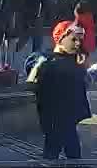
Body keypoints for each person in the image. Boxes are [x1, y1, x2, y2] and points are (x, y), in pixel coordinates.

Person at [31, 28, 91, 160]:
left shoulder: (74, 60)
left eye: (80, 40)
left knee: (64, 146)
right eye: (73, 39)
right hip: (56, 113)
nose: (77, 43)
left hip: (68, 113)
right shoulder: (47, 60)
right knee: (61, 147)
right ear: (60, 39)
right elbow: (33, 79)